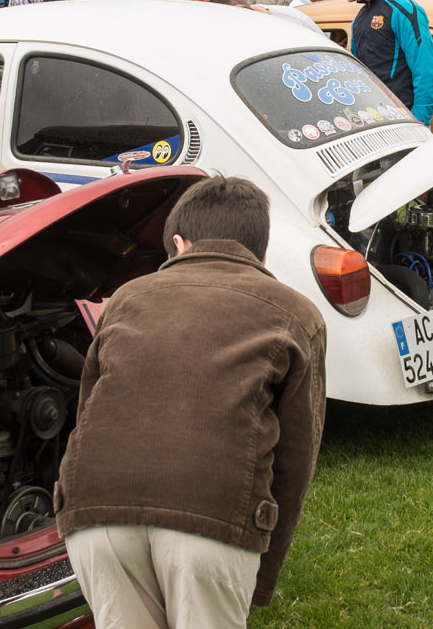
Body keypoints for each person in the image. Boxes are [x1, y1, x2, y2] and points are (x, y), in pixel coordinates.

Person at [58, 175, 325, 629]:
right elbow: (296, 457)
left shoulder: (124, 299)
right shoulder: (297, 313)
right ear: (260, 253)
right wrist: (263, 573)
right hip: (213, 520)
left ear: (178, 244)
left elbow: (87, 410)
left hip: (95, 516)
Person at [330, 0, 433, 123]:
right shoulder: (360, 18)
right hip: (374, 122)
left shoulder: (404, 9)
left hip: (404, 125)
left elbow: (427, 75)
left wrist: (418, 125)